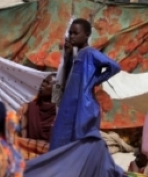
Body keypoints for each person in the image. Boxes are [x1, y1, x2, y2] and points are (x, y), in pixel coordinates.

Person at [50, 18, 121, 149]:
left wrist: (95, 80)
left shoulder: (90, 52)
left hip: (82, 103)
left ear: (87, 35)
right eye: (70, 33)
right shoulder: (78, 54)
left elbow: (114, 67)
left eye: (75, 33)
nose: (72, 36)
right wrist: (68, 56)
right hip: (69, 102)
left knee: (78, 140)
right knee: (61, 137)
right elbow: (68, 78)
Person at [13, 74, 57, 161]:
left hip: (50, 160)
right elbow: (17, 136)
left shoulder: (60, 114)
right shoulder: (28, 108)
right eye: (43, 82)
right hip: (26, 159)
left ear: (56, 89)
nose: (43, 84)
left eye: (47, 83)